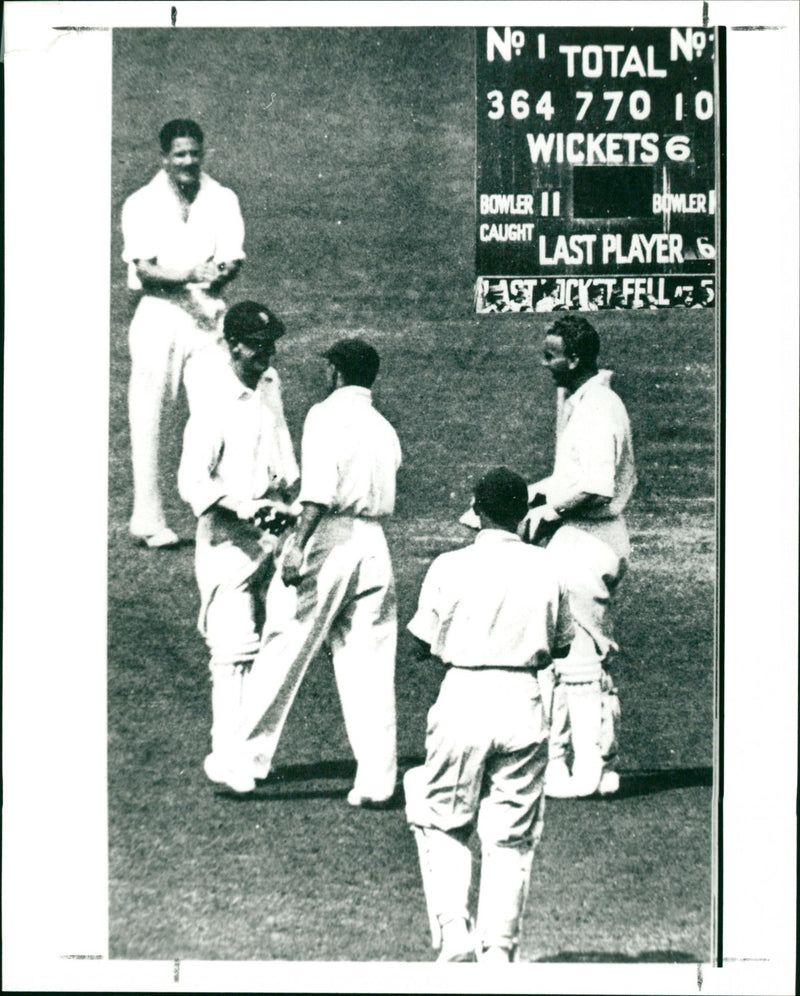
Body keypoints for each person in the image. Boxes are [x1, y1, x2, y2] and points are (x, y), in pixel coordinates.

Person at [203, 338, 402, 803]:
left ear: (335, 371)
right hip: (375, 546)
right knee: (368, 663)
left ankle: (242, 762)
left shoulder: (324, 414)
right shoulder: (382, 426)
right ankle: (377, 780)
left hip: (327, 542)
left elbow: (321, 490)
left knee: (282, 646)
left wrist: (298, 544)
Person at [404, 468, 574, 963]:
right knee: (511, 834)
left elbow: (420, 644)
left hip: (464, 694)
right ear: (523, 514)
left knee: (441, 819)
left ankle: (454, 930)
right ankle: (498, 950)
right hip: (524, 698)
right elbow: (561, 646)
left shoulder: (448, 565)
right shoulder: (548, 567)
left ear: (476, 511)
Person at [178, 302, 299, 770]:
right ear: (233, 344)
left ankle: (249, 755)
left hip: (273, 539)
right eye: (257, 345)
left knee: (274, 650)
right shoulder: (213, 399)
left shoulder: (269, 386)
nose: (267, 354)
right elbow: (193, 481)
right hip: (227, 543)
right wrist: (248, 508)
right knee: (233, 652)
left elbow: (281, 450)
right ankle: (226, 754)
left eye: (271, 345)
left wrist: (287, 507)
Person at [523, 314, 636, 798]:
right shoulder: (583, 402)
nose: (544, 364)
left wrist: (548, 510)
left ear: (575, 358)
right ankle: (595, 767)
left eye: (551, 355)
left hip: (590, 539)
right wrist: (528, 495)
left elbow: (595, 485)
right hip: (583, 535)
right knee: (573, 657)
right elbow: (572, 476)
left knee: (580, 658)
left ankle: (588, 769)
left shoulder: (599, 407)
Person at [122, 118, 246, 547]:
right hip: (158, 316)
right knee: (149, 419)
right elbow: (145, 269)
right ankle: (149, 521)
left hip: (208, 318)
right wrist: (191, 273)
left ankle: (228, 508)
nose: (188, 161)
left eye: (194, 153)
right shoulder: (141, 203)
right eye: (180, 154)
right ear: (165, 158)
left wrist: (219, 274)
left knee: (218, 410)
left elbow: (233, 258)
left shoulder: (223, 199)